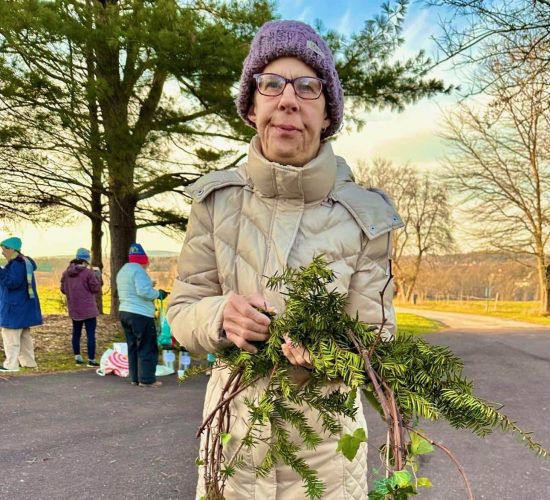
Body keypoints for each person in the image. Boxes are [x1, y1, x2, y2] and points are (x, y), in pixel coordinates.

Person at [167, 20, 403, 499]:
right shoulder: (215, 202)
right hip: (233, 442)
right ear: (252, 107)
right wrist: (219, 315)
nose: (288, 100)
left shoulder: (366, 216)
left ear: (327, 113)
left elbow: (376, 331)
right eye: (271, 84)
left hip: (328, 453)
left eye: (308, 86)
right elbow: (182, 310)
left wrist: (332, 351)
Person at [116, 243, 168, 388]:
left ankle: (135, 377)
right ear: (143, 260)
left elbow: (133, 288)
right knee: (147, 346)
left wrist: (148, 284)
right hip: (140, 314)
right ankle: (147, 379)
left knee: (132, 346)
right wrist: (159, 294)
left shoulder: (123, 270)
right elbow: (143, 292)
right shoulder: (139, 271)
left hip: (125, 311)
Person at [0, 236, 42, 372]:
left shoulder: (16, 264)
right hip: (23, 306)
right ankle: (29, 363)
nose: (2, 252)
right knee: (24, 336)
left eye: (3, 249)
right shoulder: (24, 263)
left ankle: (11, 365)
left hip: (14, 306)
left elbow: (12, 283)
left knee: (10, 335)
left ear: (12, 249)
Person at [60, 248, 102, 367]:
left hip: (74, 308)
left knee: (76, 333)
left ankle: (77, 357)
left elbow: (63, 289)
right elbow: (96, 289)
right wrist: (97, 276)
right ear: (86, 260)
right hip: (88, 309)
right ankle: (91, 359)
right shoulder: (89, 273)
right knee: (90, 334)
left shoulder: (66, 273)